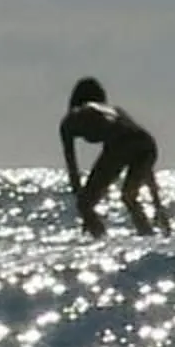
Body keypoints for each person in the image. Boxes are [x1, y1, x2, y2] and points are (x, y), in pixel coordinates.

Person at [59, 76, 165, 238]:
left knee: (85, 204)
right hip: (147, 143)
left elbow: (73, 170)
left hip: (122, 144)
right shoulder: (116, 111)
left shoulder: (71, 119)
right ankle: (149, 238)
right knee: (129, 197)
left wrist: (85, 209)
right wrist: (157, 204)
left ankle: (101, 242)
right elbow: (138, 148)